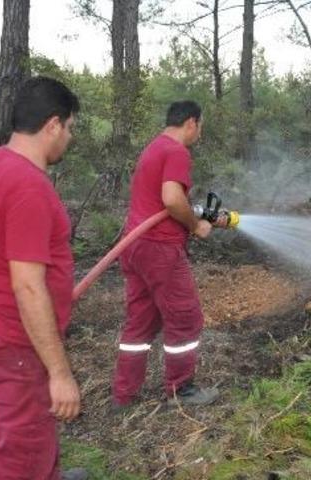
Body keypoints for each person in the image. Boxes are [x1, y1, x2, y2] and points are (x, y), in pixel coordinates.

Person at [0, 76, 87, 480]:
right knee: (21, 444)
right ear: (52, 125)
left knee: (31, 432)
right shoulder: (29, 186)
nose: (68, 137)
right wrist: (61, 373)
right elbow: (28, 285)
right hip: (15, 339)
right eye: (69, 128)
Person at [111, 100, 222, 410]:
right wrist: (195, 225)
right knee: (186, 318)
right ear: (191, 123)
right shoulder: (176, 151)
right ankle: (181, 390)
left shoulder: (154, 148)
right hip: (159, 248)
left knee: (140, 323)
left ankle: (124, 394)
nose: (199, 133)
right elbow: (172, 200)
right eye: (200, 126)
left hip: (135, 246)